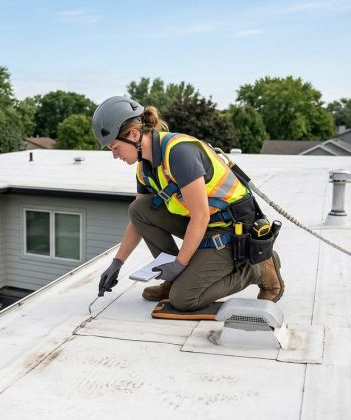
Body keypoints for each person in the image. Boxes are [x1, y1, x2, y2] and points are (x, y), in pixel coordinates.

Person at [92, 96, 284, 311]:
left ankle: (257, 269)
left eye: (115, 147)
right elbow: (138, 219)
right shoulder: (145, 167)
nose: (114, 155)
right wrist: (117, 262)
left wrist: (180, 264)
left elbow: (200, 216)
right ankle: (175, 279)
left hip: (232, 230)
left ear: (134, 135)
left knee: (183, 299)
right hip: (205, 225)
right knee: (139, 209)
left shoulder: (179, 154)